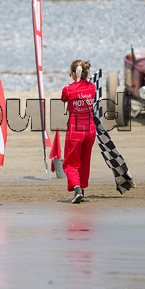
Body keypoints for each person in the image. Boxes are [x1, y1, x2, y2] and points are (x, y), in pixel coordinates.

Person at [60, 60, 96, 203]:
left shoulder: (68, 90)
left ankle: (77, 189)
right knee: (84, 161)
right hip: (90, 130)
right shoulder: (92, 87)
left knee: (70, 162)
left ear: (74, 74)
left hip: (75, 131)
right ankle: (82, 190)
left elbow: (64, 99)